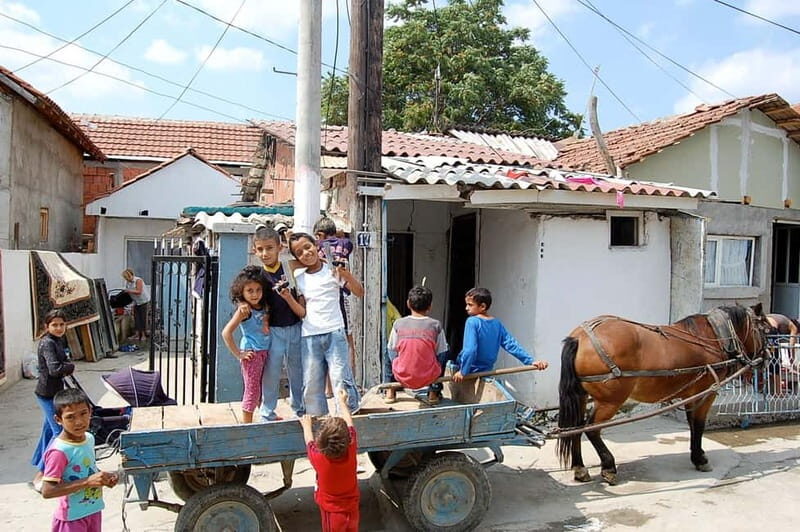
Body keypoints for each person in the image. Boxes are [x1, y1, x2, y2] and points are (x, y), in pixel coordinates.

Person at [289, 232, 363, 415]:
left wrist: (346, 274)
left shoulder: (332, 271)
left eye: (308, 247)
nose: (306, 253)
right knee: (312, 383)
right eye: (299, 252)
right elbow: (302, 310)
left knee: (340, 378)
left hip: (334, 333)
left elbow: (359, 292)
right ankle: (318, 420)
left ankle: (347, 415)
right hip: (309, 336)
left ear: (316, 245)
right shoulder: (299, 279)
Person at [41, 388, 119, 532]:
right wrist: (88, 482)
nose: (79, 422)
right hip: (71, 519)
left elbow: (88, 469)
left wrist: (103, 478)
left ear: (90, 412)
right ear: (58, 420)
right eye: (70, 417)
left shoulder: (89, 438)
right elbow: (47, 490)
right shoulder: (59, 451)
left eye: (83, 414)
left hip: (93, 511)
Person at [251, 226, 306, 420]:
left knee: (297, 371)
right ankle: (267, 412)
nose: (265, 253)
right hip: (273, 331)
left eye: (269, 248)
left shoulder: (290, 268)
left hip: (295, 327)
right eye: (260, 249)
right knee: (271, 372)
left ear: (279, 248)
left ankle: (300, 409)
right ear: (254, 250)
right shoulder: (257, 276)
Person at [452, 287, 548, 382]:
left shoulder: (472, 322)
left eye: (470, 305)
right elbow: (511, 345)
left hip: (470, 370)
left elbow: (470, 350)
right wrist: (530, 361)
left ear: (482, 307)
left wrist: (463, 372)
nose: (466, 308)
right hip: (486, 371)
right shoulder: (497, 324)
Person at [300, 389, 359, 532]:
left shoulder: (319, 458)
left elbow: (309, 441)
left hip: (332, 513)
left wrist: (306, 425)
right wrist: (342, 402)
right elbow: (350, 423)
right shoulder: (350, 449)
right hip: (352, 510)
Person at [221, 266, 272, 423]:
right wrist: (239, 354)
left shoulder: (263, 307)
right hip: (252, 353)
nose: (255, 294)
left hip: (264, 351)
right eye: (250, 291)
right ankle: (247, 423)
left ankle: (264, 416)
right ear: (242, 292)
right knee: (252, 389)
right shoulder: (244, 310)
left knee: (263, 387)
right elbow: (226, 332)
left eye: (258, 290)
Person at [31, 309, 74, 493]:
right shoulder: (47, 343)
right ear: (46, 327)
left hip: (56, 393)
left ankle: (38, 464)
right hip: (47, 394)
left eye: (61, 324)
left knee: (48, 432)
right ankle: (42, 475)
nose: (58, 328)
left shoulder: (58, 340)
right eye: (54, 325)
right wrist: (69, 366)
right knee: (59, 433)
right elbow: (55, 369)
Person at [314, 217, 356, 397]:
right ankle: (349, 383)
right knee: (348, 343)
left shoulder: (315, 248)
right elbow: (347, 241)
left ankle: (328, 389)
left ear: (319, 234)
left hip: (323, 301)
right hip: (341, 297)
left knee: (325, 346)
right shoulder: (344, 244)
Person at [385, 286, 449, 405]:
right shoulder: (435, 325)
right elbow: (442, 353)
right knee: (445, 349)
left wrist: (399, 364)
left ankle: (390, 390)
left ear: (408, 304)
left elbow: (391, 351)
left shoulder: (399, 324)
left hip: (402, 375)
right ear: (430, 306)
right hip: (429, 376)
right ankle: (434, 392)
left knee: (387, 349)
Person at [121, 269, 151, 342]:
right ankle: (137, 334)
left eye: (127, 277)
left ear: (131, 275)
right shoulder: (128, 283)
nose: (127, 279)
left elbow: (139, 291)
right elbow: (130, 294)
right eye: (125, 278)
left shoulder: (138, 280)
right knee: (136, 318)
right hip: (136, 302)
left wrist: (128, 291)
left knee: (143, 318)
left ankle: (143, 335)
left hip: (144, 301)